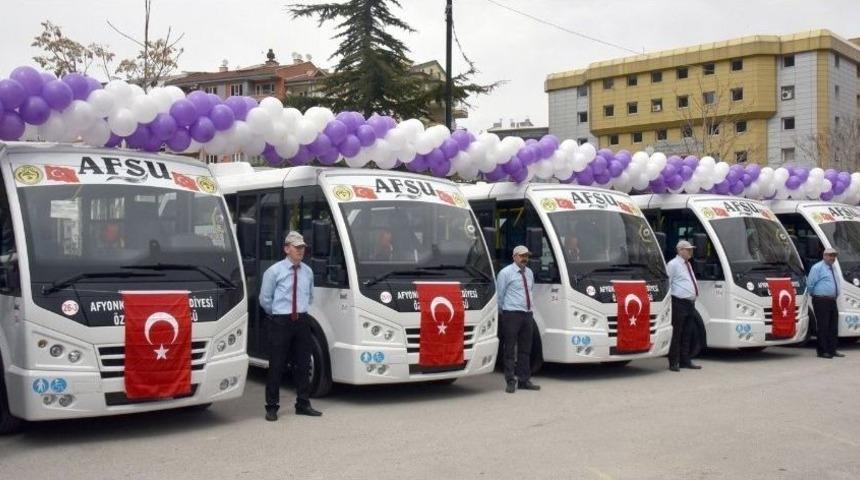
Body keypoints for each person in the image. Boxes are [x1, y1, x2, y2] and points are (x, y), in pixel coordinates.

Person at [259, 231, 322, 421]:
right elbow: (265, 299)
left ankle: (303, 403)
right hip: (281, 320)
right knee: (277, 365)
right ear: (287, 249)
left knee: (303, 364)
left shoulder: (308, 272)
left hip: (302, 320)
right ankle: (272, 406)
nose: (300, 251)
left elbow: (309, 296)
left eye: (302, 247)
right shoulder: (274, 271)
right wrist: (278, 313)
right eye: (296, 247)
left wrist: (300, 312)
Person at [496, 245, 540, 393]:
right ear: (514, 257)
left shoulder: (530, 273)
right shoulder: (505, 273)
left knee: (525, 349)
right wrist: (505, 311)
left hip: (527, 314)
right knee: (509, 349)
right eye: (522, 256)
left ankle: (524, 380)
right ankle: (510, 380)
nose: (525, 259)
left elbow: (530, 290)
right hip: (511, 314)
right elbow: (500, 295)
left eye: (526, 256)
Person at [666, 240, 702, 372]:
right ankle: (674, 362)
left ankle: (685, 360)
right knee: (677, 333)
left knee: (687, 332)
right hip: (678, 302)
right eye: (688, 249)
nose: (691, 251)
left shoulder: (688, 264)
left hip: (690, 303)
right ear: (680, 250)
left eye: (691, 249)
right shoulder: (673, 264)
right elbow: (668, 283)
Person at [808, 247, 845, 359]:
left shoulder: (833, 267)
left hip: (832, 300)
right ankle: (822, 351)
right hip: (821, 300)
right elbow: (810, 284)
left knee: (833, 326)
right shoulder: (817, 268)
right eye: (830, 255)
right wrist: (815, 295)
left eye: (834, 255)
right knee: (823, 326)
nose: (832, 258)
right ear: (824, 256)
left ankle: (832, 349)